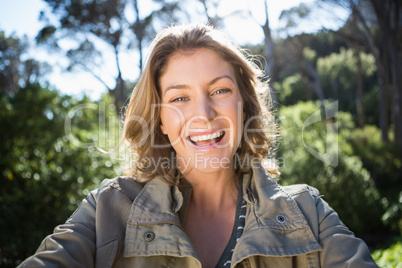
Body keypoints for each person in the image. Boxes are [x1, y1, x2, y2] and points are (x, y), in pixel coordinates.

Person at [19, 23, 378, 268]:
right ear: (159, 120)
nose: (203, 115)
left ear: (244, 106)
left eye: (220, 90)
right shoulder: (106, 211)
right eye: (179, 98)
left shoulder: (308, 212)